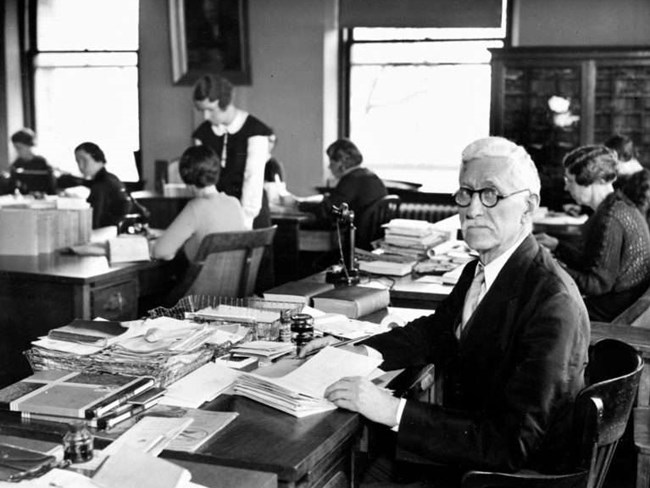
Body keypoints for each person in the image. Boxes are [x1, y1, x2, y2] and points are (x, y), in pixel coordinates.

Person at [300, 136, 590, 484]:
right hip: (476, 458)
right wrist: (358, 351)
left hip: (507, 477)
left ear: (528, 207)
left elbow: (512, 444)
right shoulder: (483, 268)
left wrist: (393, 409)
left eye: (491, 194)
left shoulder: (552, 302)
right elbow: (435, 332)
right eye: (466, 193)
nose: (473, 209)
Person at [536, 145, 650, 321]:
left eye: (570, 181)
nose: (566, 188)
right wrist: (557, 246)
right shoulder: (617, 206)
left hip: (612, 312)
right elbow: (596, 261)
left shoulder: (610, 218)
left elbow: (597, 284)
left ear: (589, 181)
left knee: (537, 311)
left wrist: (552, 266)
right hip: (618, 301)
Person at [192, 74, 272, 230]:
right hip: (216, 215)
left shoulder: (256, 131)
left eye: (210, 110)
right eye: (202, 111)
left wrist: (244, 223)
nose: (206, 116)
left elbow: (253, 179)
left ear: (225, 103)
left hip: (251, 216)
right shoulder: (202, 134)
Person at [285, 138, 388, 250]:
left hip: (355, 243)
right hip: (372, 239)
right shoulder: (370, 176)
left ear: (341, 162)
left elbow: (329, 210)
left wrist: (298, 205)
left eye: (331, 162)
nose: (329, 167)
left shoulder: (351, 179)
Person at [152, 145, 247, 262]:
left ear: (185, 174)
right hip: (233, 279)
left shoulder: (196, 207)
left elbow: (160, 252)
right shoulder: (234, 203)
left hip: (204, 280)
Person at [74, 142, 131, 229]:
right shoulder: (110, 177)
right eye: (78, 161)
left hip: (107, 233)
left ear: (98, 158)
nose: (81, 166)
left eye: (85, 160)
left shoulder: (102, 184)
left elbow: (95, 222)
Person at [9, 128, 56, 195]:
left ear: (29, 145)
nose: (17, 151)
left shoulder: (42, 163)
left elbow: (52, 188)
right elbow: (12, 188)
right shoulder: (16, 164)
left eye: (19, 148)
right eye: (15, 148)